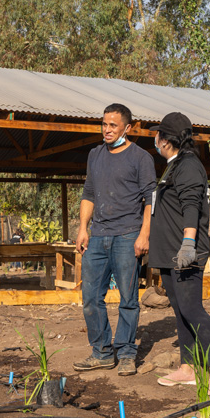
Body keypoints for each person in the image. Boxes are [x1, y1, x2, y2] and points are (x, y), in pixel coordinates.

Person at [149, 112, 210, 395]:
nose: (154, 139)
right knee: (180, 311)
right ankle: (188, 368)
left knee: (192, 309)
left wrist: (188, 244)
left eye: (157, 134)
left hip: (183, 253)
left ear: (166, 139)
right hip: (169, 253)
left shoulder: (187, 166)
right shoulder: (174, 166)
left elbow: (190, 206)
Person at [73, 103, 156, 377]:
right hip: (97, 236)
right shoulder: (95, 154)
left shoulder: (140, 157)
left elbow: (150, 199)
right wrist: (83, 227)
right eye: (104, 124)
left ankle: (127, 353)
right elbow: (89, 193)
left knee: (128, 298)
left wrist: (144, 234)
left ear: (127, 128)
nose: (107, 130)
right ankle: (102, 353)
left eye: (113, 125)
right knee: (90, 297)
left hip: (128, 235)